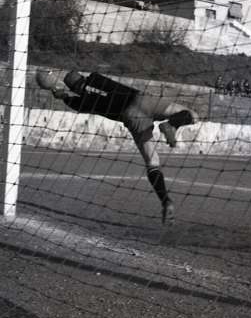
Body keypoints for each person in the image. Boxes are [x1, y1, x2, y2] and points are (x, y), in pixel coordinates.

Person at [36, 69, 198, 224]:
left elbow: (73, 99)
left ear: (74, 89)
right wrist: (65, 80)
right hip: (142, 100)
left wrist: (59, 92)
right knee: (192, 115)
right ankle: (172, 124)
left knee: (152, 161)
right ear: (82, 77)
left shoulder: (82, 102)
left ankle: (165, 200)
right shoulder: (96, 78)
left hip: (131, 116)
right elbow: (88, 85)